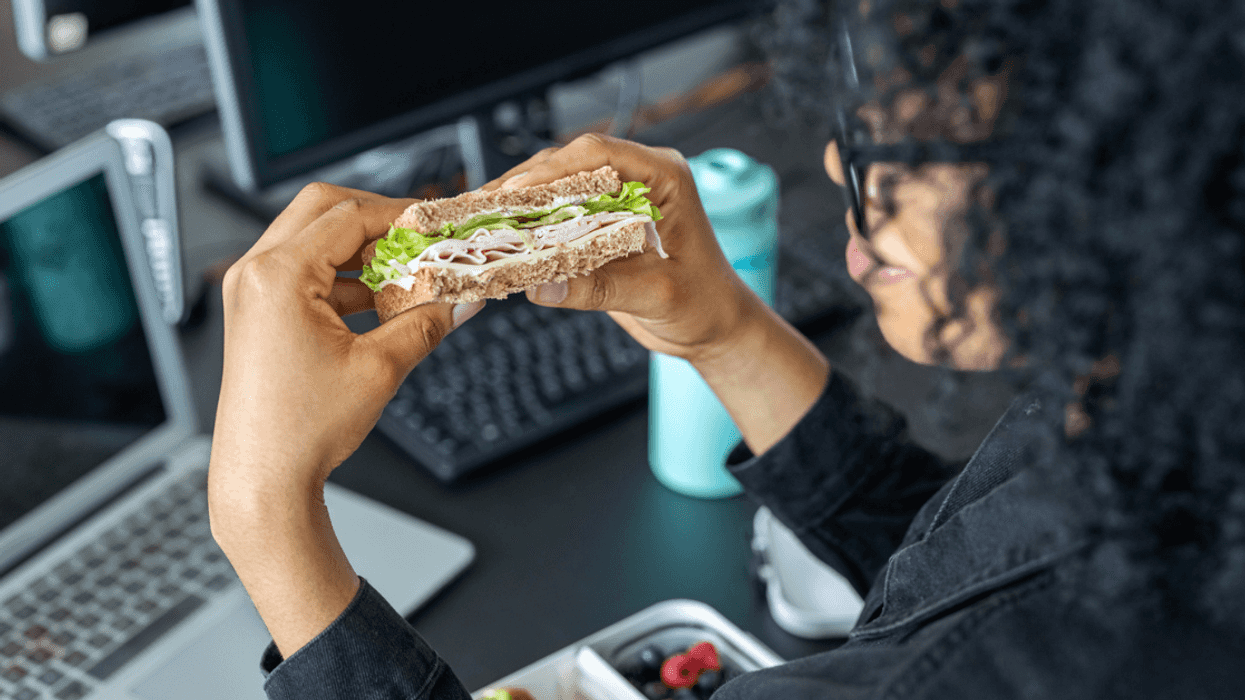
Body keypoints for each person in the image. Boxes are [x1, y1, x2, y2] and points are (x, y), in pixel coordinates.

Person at [206, 0, 1245, 697]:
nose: (845, 157)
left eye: (905, 144)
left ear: (1112, 177)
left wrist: (267, 516)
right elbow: (963, 575)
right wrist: (725, 327)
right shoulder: (1165, 409)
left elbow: (954, 645)